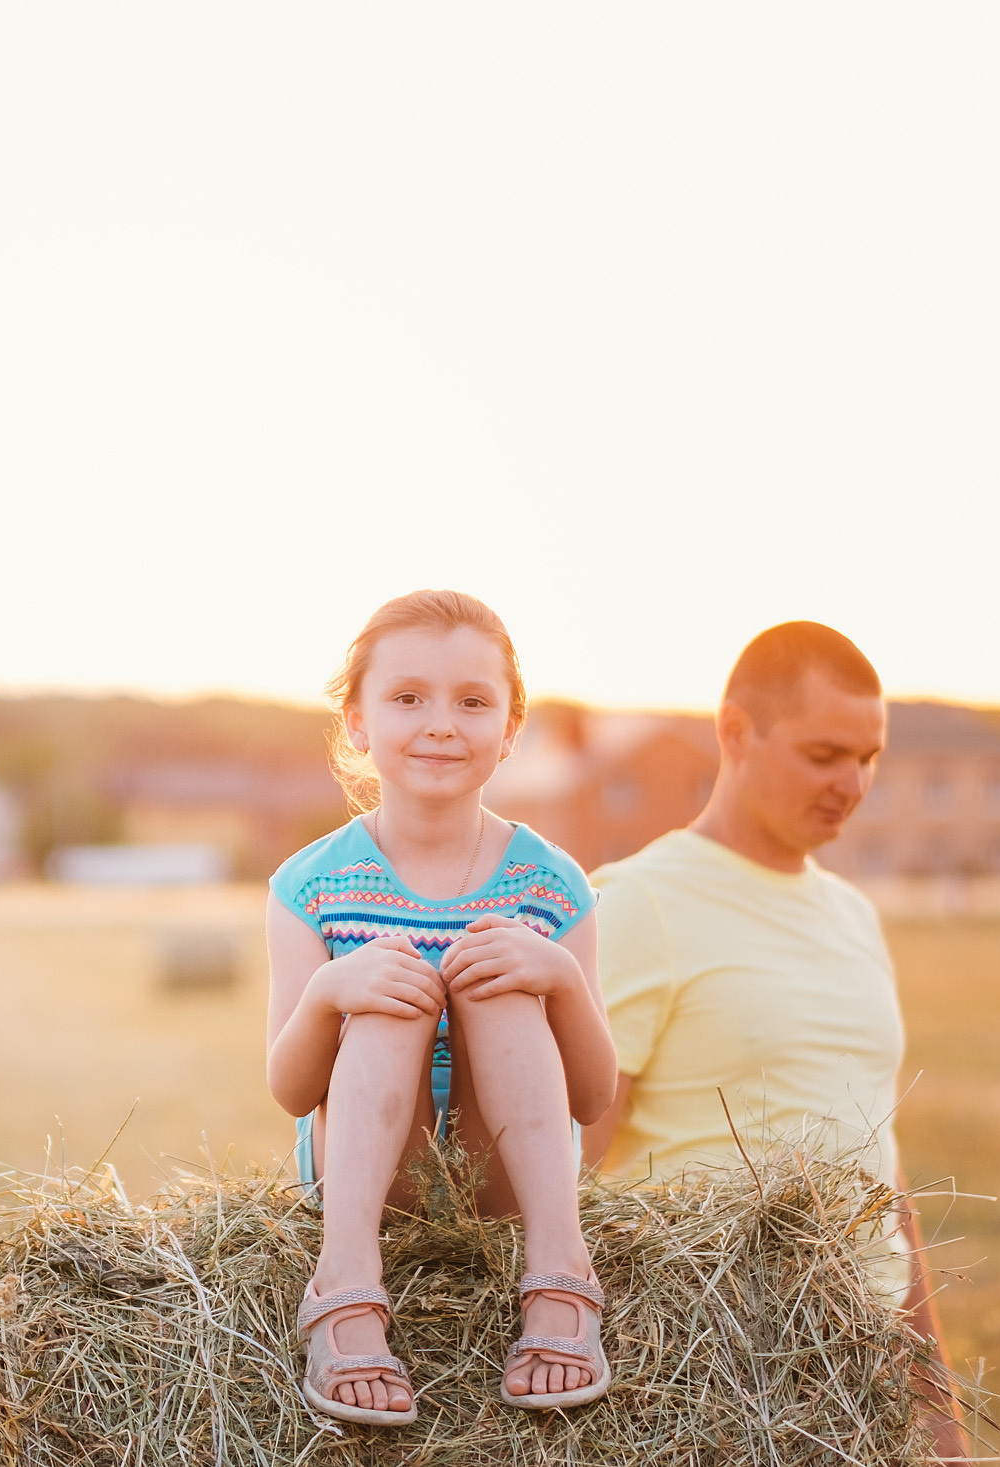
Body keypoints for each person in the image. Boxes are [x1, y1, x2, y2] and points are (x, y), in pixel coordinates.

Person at [577, 621, 968, 1459]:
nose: (852, 784)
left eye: (868, 757)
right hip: (705, 1385)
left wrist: (936, 1406)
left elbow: (878, 1171)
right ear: (735, 731)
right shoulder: (638, 903)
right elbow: (565, 1162)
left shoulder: (854, 915)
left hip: (858, 1393)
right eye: (824, 754)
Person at [265, 590, 619, 1425]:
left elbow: (594, 1097)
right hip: (372, 1176)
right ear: (357, 722)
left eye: (472, 702)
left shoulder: (552, 883)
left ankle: (561, 1272)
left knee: (499, 974)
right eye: (407, 697)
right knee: (388, 988)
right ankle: (346, 1278)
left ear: (511, 727)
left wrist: (560, 977)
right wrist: (330, 992)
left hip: (507, 1176)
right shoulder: (310, 885)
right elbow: (289, 1089)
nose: (440, 724)